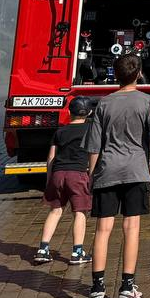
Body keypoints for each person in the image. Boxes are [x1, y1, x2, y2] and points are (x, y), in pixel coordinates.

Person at [83, 53, 150, 298]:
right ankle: (127, 289)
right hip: (135, 171)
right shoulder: (147, 102)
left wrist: (91, 173)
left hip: (107, 171)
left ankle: (96, 290)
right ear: (138, 73)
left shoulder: (104, 104)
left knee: (103, 230)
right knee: (132, 228)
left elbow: (94, 146)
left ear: (115, 75)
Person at [34, 97, 94, 265]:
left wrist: (49, 180)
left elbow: (51, 157)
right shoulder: (91, 130)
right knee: (80, 212)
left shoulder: (60, 131)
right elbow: (94, 153)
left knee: (55, 210)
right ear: (90, 113)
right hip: (78, 174)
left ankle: (43, 250)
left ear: (69, 112)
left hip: (58, 174)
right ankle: (77, 252)